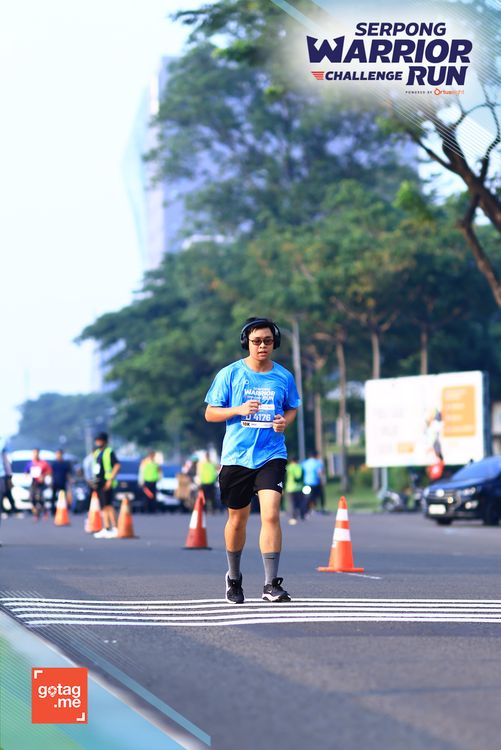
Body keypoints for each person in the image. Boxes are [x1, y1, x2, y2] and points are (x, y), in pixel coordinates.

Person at [205, 317, 300, 604]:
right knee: (238, 520)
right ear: (246, 342)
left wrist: (284, 422)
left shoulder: (283, 376)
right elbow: (210, 413)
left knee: (271, 514)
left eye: (267, 341)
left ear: (275, 342)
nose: (262, 346)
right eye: (256, 341)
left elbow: (291, 408)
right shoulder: (230, 374)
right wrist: (238, 409)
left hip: (272, 454)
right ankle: (234, 577)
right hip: (237, 457)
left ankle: (271, 583)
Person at [91, 432, 121, 538]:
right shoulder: (96, 453)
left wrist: (110, 480)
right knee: (103, 506)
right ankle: (106, 527)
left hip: (106, 481)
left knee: (109, 505)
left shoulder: (109, 452)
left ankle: (116, 527)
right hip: (98, 482)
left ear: (104, 441)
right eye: (97, 440)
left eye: (100, 440)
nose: (98, 442)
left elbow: (117, 465)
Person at [24, 449, 52, 520]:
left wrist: (43, 476)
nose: (35, 454)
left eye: (37, 453)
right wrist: (28, 475)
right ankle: (36, 513)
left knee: (40, 498)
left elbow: (49, 472)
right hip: (33, 482)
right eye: (34, 453)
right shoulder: (30, 463)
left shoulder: (43, 463)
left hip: (41, 483)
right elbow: (26, 472)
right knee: (31, 498)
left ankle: (44, 511)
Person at [51, 448, 72, 515]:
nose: (58, 455)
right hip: (55, 483)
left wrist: (70, 481)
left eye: (60, 454)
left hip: (62, 483)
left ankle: (63, 510)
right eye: (57, 454)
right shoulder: (53, 464)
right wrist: (50, 482)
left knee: (63, 497)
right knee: (54, 498)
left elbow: (68, 474)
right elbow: (50, 473)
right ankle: (53, 511)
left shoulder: (65, 464)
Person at [285, 456, 305, 525]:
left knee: (292, 503)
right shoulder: (300, 467)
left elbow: (285, 478)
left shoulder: (288, 468)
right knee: (300, 502)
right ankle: (302, 515)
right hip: (299, 488)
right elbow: (302, 477)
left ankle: (293, 517)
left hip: (290, 488)